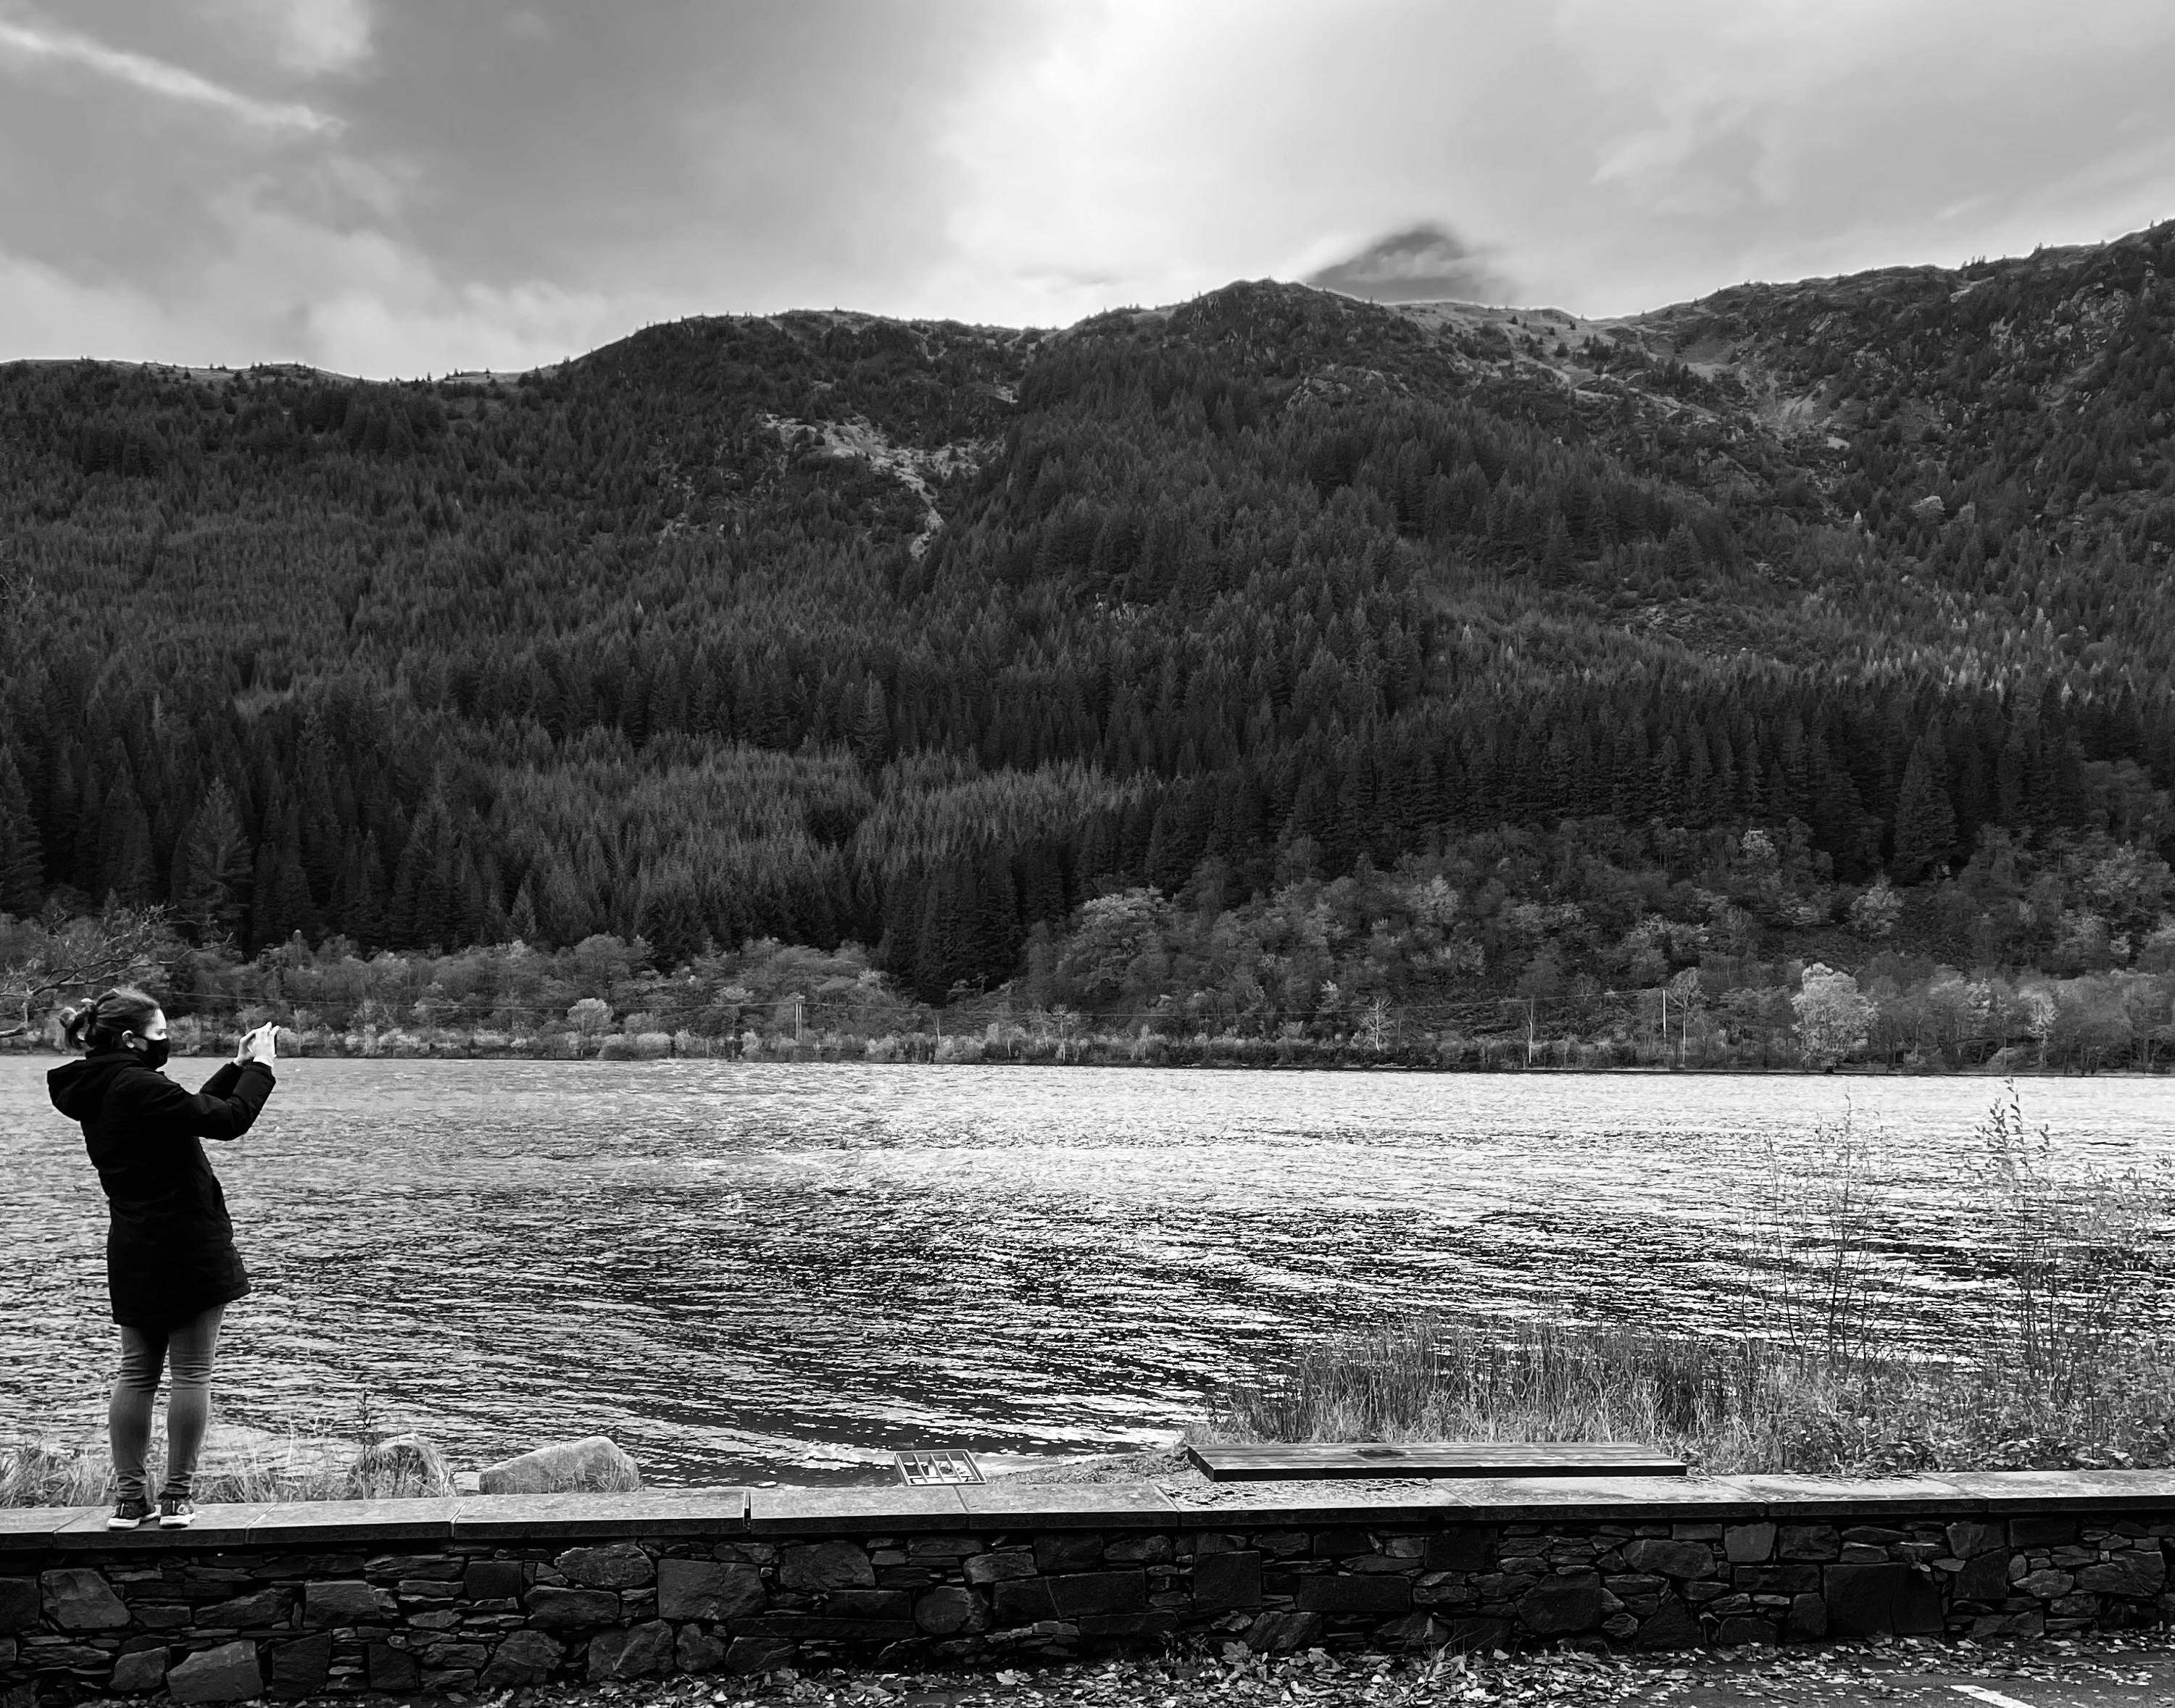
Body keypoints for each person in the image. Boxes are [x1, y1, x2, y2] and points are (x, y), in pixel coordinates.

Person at [46, 991, 279, 1528]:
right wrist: (263, 1068)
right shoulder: (139, 1085)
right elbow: (228, 1119)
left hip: (133, 1246)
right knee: (192, 1371)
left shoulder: (102, 1086)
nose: (165, 1040)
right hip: (190, 1243)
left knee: (136, 1372)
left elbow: (188, 1111)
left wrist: (236, 1066)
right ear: (131, 1039)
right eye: (159, 1032)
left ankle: (130, 1500)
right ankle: (176, 1497)